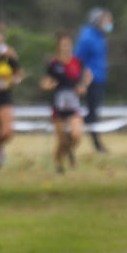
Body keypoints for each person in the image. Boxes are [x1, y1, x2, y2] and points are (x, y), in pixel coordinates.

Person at [41, 31, 91, 174]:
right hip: (58, 107)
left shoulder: (77, 62)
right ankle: (59, 163)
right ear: (58, 46)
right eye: (63, 45)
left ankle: (68, 153)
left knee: (76, 135)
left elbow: (87, 77)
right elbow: (45, 81)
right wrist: (47, 85)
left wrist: (83, 87)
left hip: (73, 106)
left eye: (68, 44)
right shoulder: (53, 64)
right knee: (62, 140)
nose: (66, 47)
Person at [0, 21, 24, 174]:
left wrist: (13, 80)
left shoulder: (9, 56)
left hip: (4, 97)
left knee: (7, 132)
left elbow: (19, 74)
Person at [74, 8, 111, 153]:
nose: (108, 23)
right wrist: (82, 78)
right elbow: (78, 59)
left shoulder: (100, 36)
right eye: (105, 20)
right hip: (90, 81)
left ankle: (95, 142)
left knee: (93, 113)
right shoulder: (87, 37)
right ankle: (96, 144)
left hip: (99, 78)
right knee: (92, 114)